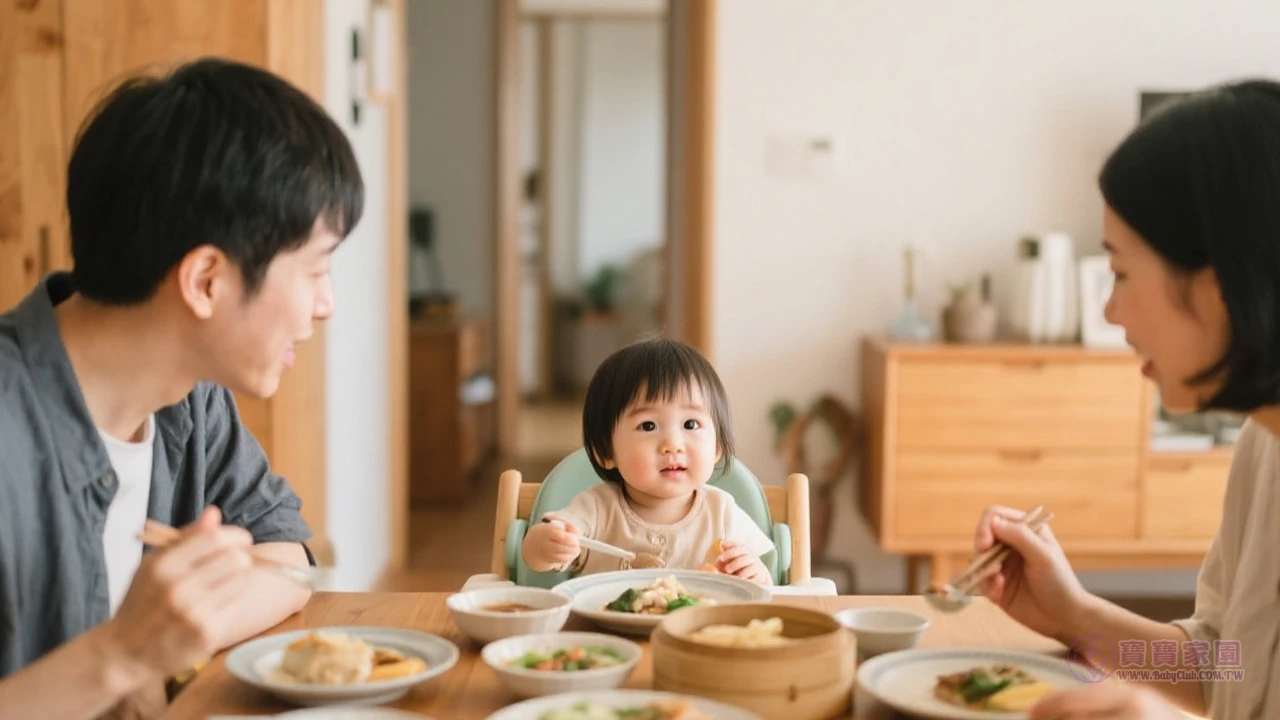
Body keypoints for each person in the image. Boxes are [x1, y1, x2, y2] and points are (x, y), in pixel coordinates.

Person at [0, 56, 363, 720]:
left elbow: (290, 559)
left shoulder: (191, 400)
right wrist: (121, 658)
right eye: (315, 271)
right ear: (205, 281)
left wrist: (163, 648)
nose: (326, 305)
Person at [972, 80, 1280, 720]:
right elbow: (1226, 666)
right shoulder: (1263, 445)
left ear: (1219, 284)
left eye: (1119, 272)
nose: (1110, 312)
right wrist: (1073, 614)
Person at [522, 337, 775, 585]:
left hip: (702, 615)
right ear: (606, 452)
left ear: (717, 446)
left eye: (690, 424)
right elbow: (533, 555)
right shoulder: (596, 508)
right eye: (648, 426)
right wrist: (546, 546)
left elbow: (764, 581)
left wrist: (757, 575)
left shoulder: (722, 512)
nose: (672, 444)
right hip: (601, 616)